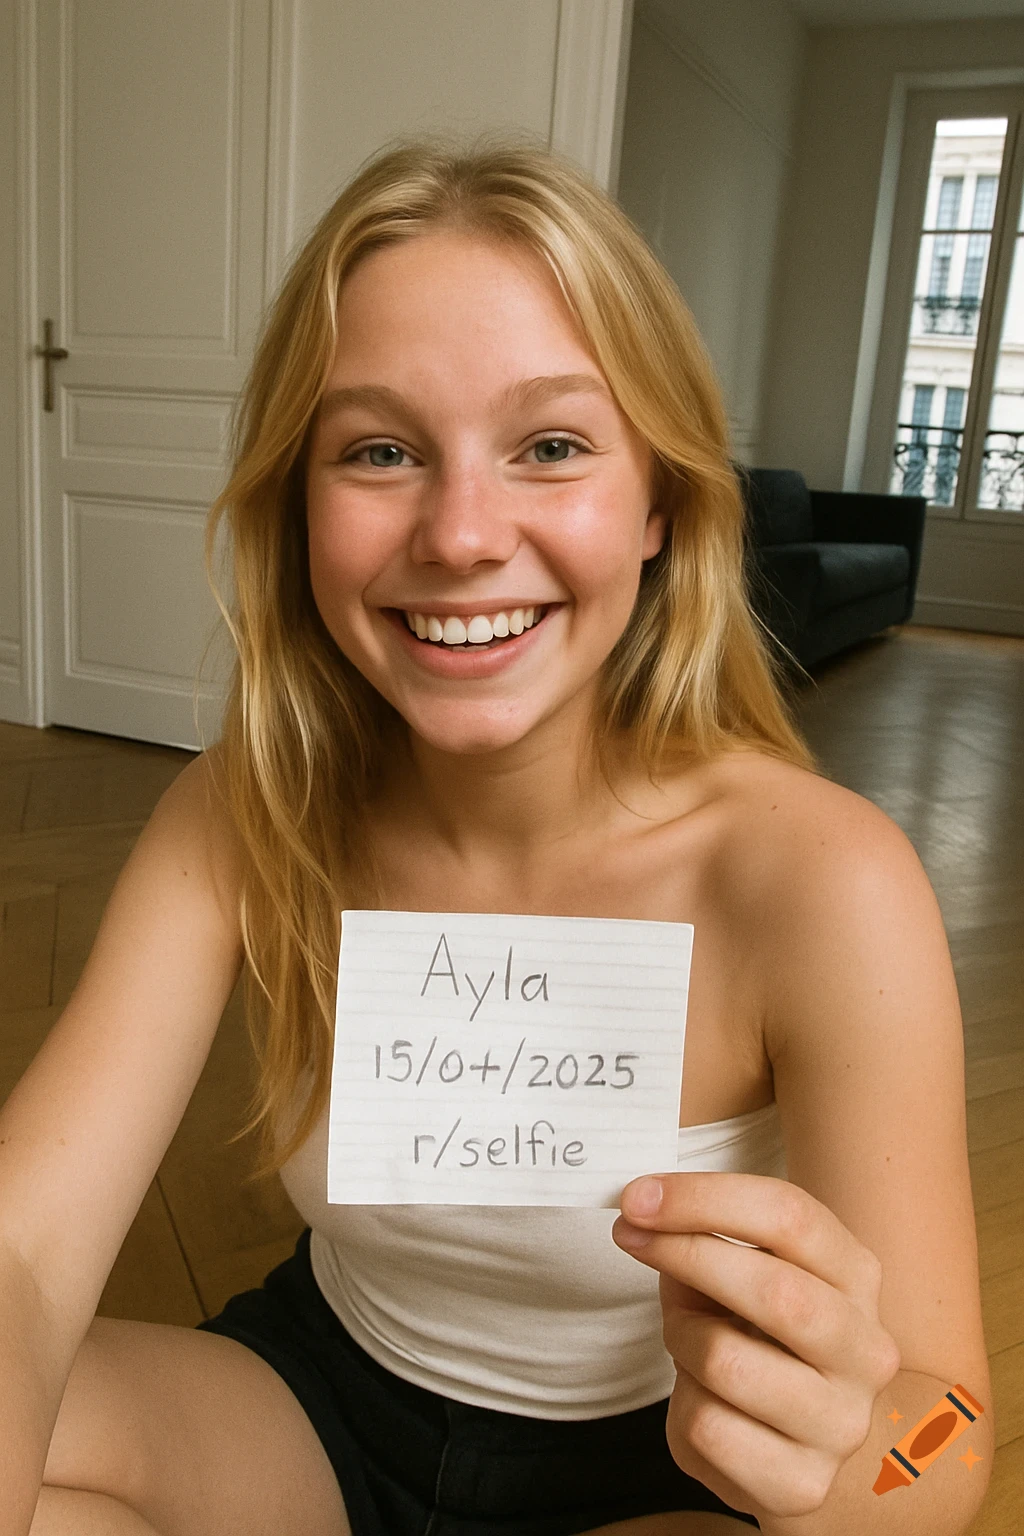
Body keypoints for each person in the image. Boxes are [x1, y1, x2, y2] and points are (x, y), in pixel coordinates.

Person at [1, 131, 992, 1536]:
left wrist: (849, 1471)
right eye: (381, 449)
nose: (463, 533)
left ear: (658, 503)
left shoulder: (824, 880)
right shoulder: (249, 810)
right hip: (319, 1409)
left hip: (674, 1476)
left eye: (551, 445)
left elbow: (947, 1434)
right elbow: (26, 1254)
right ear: (301, 510)